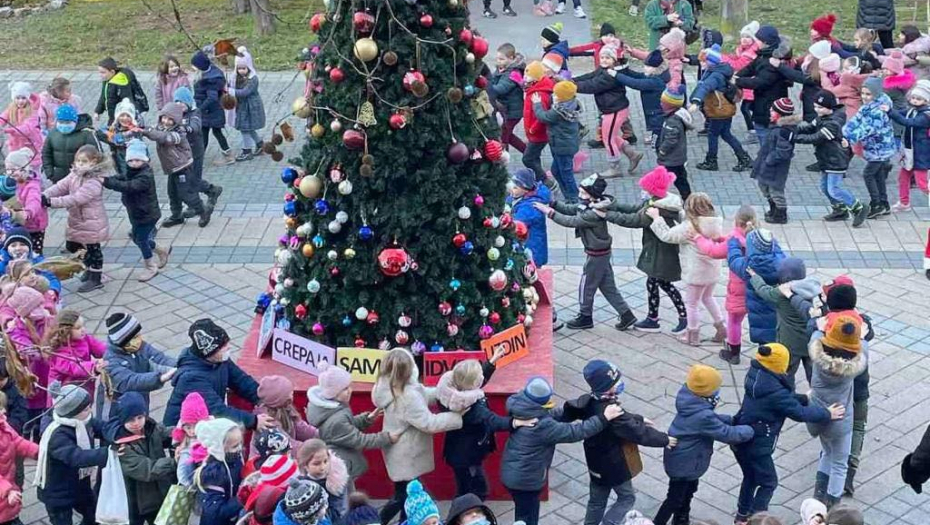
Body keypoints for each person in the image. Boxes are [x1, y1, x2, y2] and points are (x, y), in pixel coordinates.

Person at [731, 344, 843, 524]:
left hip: (744, 440)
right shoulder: (774, 391)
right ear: (778, 366)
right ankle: (756, 519)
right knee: (769, 482)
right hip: (757, 444)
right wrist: (827, 413)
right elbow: (798, 413)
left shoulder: (758, 377)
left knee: (751, 477)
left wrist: (804, 398)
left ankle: (742, 516)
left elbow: (784, 400)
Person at [562, 360, 673, 525]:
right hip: (614, 465)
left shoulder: (591, 401)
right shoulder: (612, 413)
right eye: (615, 382)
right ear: (607, 386)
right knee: (627, 498)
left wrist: (639, 418)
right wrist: (665, 440)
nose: (619, 384)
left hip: (595, 462)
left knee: (596, 500)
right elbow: (638, 433)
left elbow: (624, 417)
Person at [501, 376, 621, 525]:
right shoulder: (543, 427)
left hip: (513, 472)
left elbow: (549, 415)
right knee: (528, 518)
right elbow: (575, 432)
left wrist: (574, 409)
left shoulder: (522, 407)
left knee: (523, 513)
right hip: (525, 481)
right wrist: (603, 418)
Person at [372, 348, 462, 525]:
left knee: (406, 492)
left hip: (399, 450)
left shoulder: (388, 386)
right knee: (402, 495)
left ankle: (406, 520)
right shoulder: (408, 396)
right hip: (407, 453)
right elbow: (428, 423)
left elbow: (423, 394)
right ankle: (377, 521)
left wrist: (442, 393)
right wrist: (457, 418)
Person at [534, 175, 635, 331]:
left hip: (596, 254)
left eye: (583, 193)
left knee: (586, 285)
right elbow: (571, 209)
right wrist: (553, 203)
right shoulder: (589, 205)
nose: (580, 196)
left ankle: (585, 316)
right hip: (601, 253)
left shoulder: (593, 213)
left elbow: (571, 221)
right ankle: (626, 314)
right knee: (608, 286)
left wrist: (549, 212)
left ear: (592, 195)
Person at [654, 365, 753, 525]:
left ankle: (681, 518)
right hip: (685, 464)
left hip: (686, 460)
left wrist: (728, 419)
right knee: (675, 498)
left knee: (689, 490)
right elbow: (727, 434)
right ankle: (658, 522)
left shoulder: (691, 399)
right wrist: (749, 430)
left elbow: (711, 420)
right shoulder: (703, 415)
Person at [595, 166, 687, 334]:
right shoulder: (658, 202)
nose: (642, 192)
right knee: (653, 283)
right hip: (657, 251)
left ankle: (681, 317)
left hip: (661, 254)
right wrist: (612, 205)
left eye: (645, 189)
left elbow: (632, 220)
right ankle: (654, 318)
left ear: (652, 191)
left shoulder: (655, 209)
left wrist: (606, 215)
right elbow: (634, 209)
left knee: (663, 283)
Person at [438, 353, 535, 499]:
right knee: (476, 491)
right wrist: (516, 422)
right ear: (474, 385)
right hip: (468, 456)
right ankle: (466, 515)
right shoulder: (473, 408)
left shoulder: (454, 393)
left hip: (458, 452)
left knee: (464, 486)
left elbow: (473, 381)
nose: (482, 377)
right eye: (480, 377)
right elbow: (493, 421)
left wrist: (492, 361)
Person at [162, 318, 272, 431]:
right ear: (210, 352)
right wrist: (253, 421)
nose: (229, 347)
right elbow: (218, 411)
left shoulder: (220, 360)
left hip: (204, 424)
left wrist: (262, 399)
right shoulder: (192, 378)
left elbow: (240, 380)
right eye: (223, 346)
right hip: (184, 433)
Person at [647, 193, 724, 345]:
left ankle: (692, 335)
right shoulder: (715, 222)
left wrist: (657, 218)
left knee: (692, 304)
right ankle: (722, 328)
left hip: (696, 272)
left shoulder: (689, 227)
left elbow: (667, 236)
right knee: (708, 298)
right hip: (712, 270)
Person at [807, 315, 867, 508]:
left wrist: (819, 327)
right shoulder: (852, 367)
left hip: (817, 416)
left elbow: (815, 335)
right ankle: (833, 506)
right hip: (841, 421)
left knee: (826, 452)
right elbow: (864, 348)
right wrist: (863, 337)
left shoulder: (817, 357)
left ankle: (818, 496)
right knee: (840, 464)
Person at [306, 362, 395, 487]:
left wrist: (366, 419)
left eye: (349, 386)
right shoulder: (337, 419)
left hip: (339, 456)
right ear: (333, 393)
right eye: (345, 389)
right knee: (345, 492)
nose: (350, 391)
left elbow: (346, 427)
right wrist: (387, 438)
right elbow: (359, 440)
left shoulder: (332, 409)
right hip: (341, 465)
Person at [36, 384, 110, 525]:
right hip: (58, 494)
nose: (90, 411)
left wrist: (118, 431)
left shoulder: (83, 420)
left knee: (94, 514)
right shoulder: (57, 435)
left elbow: (100, 427)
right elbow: (78, 457)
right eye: (86, 409)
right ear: (72, 412)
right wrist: (108, 453)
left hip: (79, 485)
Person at [793, 90, 869, 226]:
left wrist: (794, 138)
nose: (817, 110)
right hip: (826, 159)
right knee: (825, 187)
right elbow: (810, 128)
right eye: (815, 106)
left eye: (820, 107)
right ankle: (839, 209)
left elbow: (815, 137)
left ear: (830, 107)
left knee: (834, 189)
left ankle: (858, 207)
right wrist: (793, 129)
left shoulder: (832, 124)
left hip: (835, 160)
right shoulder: (822, 118)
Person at [42, 144, 110, 292]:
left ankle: (96, 278)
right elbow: (61, 186)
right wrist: (45, 194)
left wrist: (51, 202)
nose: (80, 164)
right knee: (73, 246)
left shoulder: (95, 181)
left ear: (93, 162)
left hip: (92, 220)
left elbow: (77, 199)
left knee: (93, 249)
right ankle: (88, 268)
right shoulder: (75, 174)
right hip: (77, 219)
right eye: (78, 161)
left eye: (84, 162)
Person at [694, 205, 756, 364]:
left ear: (736, 222)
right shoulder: (759, 236)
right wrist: (722, 239)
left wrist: (698, 238)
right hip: (758, 286)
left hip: (739, 288)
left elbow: (713, 252)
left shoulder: (734, 239)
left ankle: (734, 353)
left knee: (734, 320)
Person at [103, 139, 171, 281]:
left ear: (145, 160)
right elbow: (122, 177)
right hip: (136, 212)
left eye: (137, 160)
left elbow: (129, 186)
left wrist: (107, 182)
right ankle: (161, 249)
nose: (134, 163)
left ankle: (151, 267)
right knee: (137, 237)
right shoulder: (131, 170)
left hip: (147, 214)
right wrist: (108, 178)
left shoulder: (145, 176)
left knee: (141, 239)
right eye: (131, 160)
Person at [106, 392, 177, 525]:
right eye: (131, 420)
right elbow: (147, 470)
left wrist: (181, 431)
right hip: (134, 501)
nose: (137, 423)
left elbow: (165, 433)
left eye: (140, 417)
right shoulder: (122, 446)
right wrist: (174, 462)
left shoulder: (150, 427)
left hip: (157, 494)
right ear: (122, 420)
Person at [575, 45, 644, 177]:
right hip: (611, 109)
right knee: (610, 135)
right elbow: (590, 77)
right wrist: (572, 80)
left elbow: (592, 86)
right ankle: (632, 154)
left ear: (614, 60)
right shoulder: (603, 70)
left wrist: (571, 86)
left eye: (607, 58)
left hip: (615, 110)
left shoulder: (611, 75)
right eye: (602, 57)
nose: (604, 60)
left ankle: (615, 167)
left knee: (607, 139)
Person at [142, 102, 211, 228]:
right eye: (164, 117)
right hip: (172, 168)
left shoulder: (178, 132)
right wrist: (140, 128)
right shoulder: (160, 127)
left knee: (186, 194)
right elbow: (151, 129)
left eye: (170, 119)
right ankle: (177, 215)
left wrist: (147, 132)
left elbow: (164, 138)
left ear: (176, 120)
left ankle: (203, 211)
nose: (166, 121)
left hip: (183, 167)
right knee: (172, 193)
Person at [748, 258, 811, 389]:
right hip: (809, 340)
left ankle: (789, 396)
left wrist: (755, 276)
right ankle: (818, 398)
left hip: (790, 342)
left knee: (786, 374)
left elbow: (764, 292)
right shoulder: (808, 288)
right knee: (813, 375)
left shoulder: (782, 292)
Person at [689, 45, 753, 172]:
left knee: (713, 135)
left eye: (703, 61)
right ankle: (744, 158)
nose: (701, 63)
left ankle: (712, 161)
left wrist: (696, 101)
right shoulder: (721, 69)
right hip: (726, 108)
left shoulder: (715, 76)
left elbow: (705, 87)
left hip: (718, 109)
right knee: (726, 134)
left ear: (711, 62)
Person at [100, 312, 177, 414]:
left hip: (140, 405)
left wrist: (181, 365)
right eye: (135, 336)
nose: (140, 338)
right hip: (118, 412)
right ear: (124, 340)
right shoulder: (110, 361)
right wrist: (159, 378)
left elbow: (160, 359)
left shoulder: (140, 347)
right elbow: (131, 381)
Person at [843, 77, 896, 219]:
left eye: (868, 94)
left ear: (876, 94)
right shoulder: (869, 106)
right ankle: (883, 204)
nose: (865, 97)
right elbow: (856, 119)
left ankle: (876, 204)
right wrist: (845, 131)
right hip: (875, 148)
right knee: (878, 175)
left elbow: (868, 129)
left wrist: (850, 138)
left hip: (879, 149)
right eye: (863, 93)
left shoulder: (878, 111)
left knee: (868, 174)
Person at [727, 228, 785, 346]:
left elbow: (733, 260)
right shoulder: (780, 263)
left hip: (759, 316)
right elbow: (779, 253)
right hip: (779, 314)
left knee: (765, 347)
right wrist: (773, 241)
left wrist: (733, 245)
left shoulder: (749, 267)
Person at [173, 86, 224, 218]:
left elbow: (195, 127)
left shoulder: (195, 113)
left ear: (188, 102)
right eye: (176, 102)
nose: (179, 105)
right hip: (182, 153)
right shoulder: (176, 114)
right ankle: (196, 203)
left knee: (193, 179)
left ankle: (211, 190)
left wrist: (186, 129)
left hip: (195, 151)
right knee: (188, 179)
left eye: (182, 102)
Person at [735, 26, 791, 145]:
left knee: (766, 138)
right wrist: (736, 76)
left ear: (766, 42)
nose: (756, 42)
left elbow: (760, 82)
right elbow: (751, 68)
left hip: (769, 105)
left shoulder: (772, 60)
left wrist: (737, 81)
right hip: (763, 102)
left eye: (758, 40)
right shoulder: (763, 55)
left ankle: (769, 160)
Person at [531, 81, 581, 203]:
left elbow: (543, 117)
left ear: (562, 98)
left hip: (562, 147)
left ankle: (574, 198)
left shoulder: (559, 110)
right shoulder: (571, 104)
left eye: (556, 95)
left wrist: (537, 104)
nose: (553, 96)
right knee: (556, 171)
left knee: (566, 173)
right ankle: (568, 195)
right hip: (565, 144)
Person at [752, 98, 800, 224]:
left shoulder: (783, 130)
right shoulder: (776, 127)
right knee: (763, 185)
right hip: (767, 164)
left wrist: (769, 159)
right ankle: (773, 208)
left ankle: (780, 214)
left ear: (780, 114)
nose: (770, 111)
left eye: (773, 110)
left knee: (775, 190)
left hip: (775, 167)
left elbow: (783, 151)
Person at [44, 310, 106, 402]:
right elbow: (74, 367)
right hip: (65, 396)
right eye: (78, 328)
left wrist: (112, 352)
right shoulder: (58, 353)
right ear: (66, 331)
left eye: (83, 326)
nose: (83, 329)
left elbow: (100, 347)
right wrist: (95, 366)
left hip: (83, 387)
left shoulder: (85, 338)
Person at [888, 80, 930, 213]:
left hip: (920, 153)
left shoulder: (925, 115)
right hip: (909, 151)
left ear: (926, 100)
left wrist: (890, 112)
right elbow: (902, 113)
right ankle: (904, 202)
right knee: (903, 177)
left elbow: (908, 122)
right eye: (913, 98)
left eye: (919, 99)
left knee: (922, 183)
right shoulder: (913, 110)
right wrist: (890, 110)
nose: (915, 101)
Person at [194, 418, 245, 525]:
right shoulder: (214, 475)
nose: (240, 448)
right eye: (235, 446)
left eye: (240, 443)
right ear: (219, 448)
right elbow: (215, 513)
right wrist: (242, 498)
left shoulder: (233, 458)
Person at [251, 375, 317, 455]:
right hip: (267, 463)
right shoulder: (266, 421)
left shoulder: (286, 408)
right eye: (289, 394)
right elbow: (288, 445)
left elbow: (303, 429)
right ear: (278, 399)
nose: (292, 395)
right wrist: (315, 449)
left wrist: (322, 435)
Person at [613, 50, 668, 146]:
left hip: (657, 114)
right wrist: (623, 67)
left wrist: (616, 75)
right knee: (657, 132)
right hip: (654, 113)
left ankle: (658, 150)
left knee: (657, 140)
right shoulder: (653, 76)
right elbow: (636, 76)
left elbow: (636, 83)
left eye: (648, 66)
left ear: (657, 68)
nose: (645, 68)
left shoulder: (655, 82)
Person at [191, 50, 235, 166]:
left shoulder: (210, 80)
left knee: (209, 133)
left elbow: (212, 98)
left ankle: (201, 158)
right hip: (210, 112)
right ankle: (224, 154)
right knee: (209, 133)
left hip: (211, 112)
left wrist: (200, 109)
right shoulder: (211, 72)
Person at [0, 390, 37, 525]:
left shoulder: (3, 424)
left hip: (7, 489)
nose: (4, 411)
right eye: (0, 408)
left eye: (3, 407)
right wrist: (7, 491)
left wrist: (37, 451)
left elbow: (17, 441)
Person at [41, 104, 100, 184]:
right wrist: (50, 173)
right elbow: (46, 153)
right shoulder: (53, 133)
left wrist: (90, 174)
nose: (64, 125)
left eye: (67, 122)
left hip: (81, 178)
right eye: (61, 122)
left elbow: (97, 155)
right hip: (58, 177)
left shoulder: (86, 134)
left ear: (75, 121)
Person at [4, 147, 48, 254]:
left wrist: (28, 212)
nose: (10, 173)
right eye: (8, 169)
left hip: (34, 225)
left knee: (34, 252)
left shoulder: (32, 186)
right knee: (17, 249)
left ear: (24, 169)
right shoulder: (15, 182)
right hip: (19, 223)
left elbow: (34, 202)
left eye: (14, 169)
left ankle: (36, 268)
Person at [296, 439, 349, 523]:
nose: (322, 467)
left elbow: (339, 511)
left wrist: (321, 513)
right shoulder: (300, 484)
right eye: (316, 464)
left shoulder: (335, 482)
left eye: (325, 461)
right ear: (305, 465)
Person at [656, 85, 694, 201]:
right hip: (677, 158)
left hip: (671, 159)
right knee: (681, 179)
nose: (661, 104)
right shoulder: (676, 116)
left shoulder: (672, 121)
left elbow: (671, 140)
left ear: (669, 105)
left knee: (666, 180)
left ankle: (659, 198)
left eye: (663, 102)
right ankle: (688, 199)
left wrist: (662, 150)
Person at [521, 61, 555, 183]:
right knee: (534, 157)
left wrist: (532, 129)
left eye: (528, 75)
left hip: (538, 134)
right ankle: (538, 180)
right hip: (534, 133)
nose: (525, 77)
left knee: (527, 159)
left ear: (535, 78)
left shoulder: (539, 94)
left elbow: (542, 116)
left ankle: (546, 181)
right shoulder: (532, 90)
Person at [489, 44, 526, 154]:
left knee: (504, 136)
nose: (499, 61)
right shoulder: (501, 69)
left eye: (502, 59)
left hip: (512, 112)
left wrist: (486, 87)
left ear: (511, 58)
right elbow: (492, 80)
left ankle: (504, 157)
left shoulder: (513, 74)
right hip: (505, 111)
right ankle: (527, 153)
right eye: (497, 58)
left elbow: (501, 89)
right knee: (507, 136)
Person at [231, 47, 266, 162]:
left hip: (251, 107)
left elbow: (245, 92)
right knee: (248, 128)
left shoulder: (253, 79)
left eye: (243, 68)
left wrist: (231, 91)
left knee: (245, 128)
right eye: (239, 68)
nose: (241, 71)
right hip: (242, 107)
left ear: (249, 67)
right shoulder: (237, 77)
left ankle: (247, 151)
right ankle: (260, 144)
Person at [1, 82, 46, 169]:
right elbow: (3, 118)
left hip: (30, 144)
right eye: (17, 98)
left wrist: (10, 130)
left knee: (30, 167)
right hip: (16, 144)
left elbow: (27, 128)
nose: (20, 101)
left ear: (28, 98)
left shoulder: (33, 110)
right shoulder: (12, 108)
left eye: (23, 98)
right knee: (16, 167)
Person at [172, 392, 211, 487]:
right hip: (188, 452)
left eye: (196, 426)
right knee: (185, 464)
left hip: (205, 458)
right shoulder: (185, 440)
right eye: (188, 428)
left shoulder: (210, 431)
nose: (193, 431)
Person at [95, 57, 145, 126]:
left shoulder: (121, 83)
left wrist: (125, 116)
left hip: (122, 117)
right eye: (99, 72)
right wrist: (98, 111)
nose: (100, 75)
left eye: (103, 72)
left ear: (112, 72)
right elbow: (103, 96)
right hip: (112, 115)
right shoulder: (107, 81)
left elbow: (127, 100)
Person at [102, 98, 143, 176]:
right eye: (122, 115)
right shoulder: (115, 127)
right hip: (118, 160)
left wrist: (109, 136)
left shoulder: (135, 131)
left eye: (128, 115)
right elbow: (102, 131)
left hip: (132, 164)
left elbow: (119, 140)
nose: (125, 118)